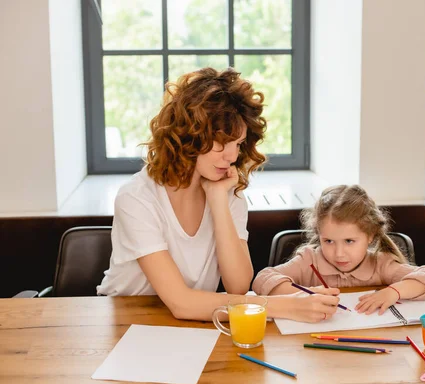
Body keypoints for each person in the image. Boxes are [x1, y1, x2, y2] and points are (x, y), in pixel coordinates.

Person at [97, 67, 340, 323]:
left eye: (237, 144)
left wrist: (217, 200)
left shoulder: (226, 191)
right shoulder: (136, 198)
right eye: (221, 144)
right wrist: (285, 306)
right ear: (188, 135)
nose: (232, 156)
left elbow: (237, 284)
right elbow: (182, 304)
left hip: (196, 320)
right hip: (128, 320)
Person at [252, 185, 425, 315]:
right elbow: (262, 279)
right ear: (318, 233)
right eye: (328, 241)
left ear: (370, 235)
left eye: (349, 241)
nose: (338, 253)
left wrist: (393, 292)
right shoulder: (309, 259)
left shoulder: (380, 263)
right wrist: (304, 295)